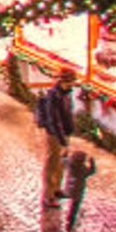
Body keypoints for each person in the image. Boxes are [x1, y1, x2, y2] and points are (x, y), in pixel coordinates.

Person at [35, 67, 80, 208]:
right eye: (72, 81)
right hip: (55, 134)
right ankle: (49, 195)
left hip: (63, 133)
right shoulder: (54, 96)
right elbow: (55, 120)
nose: (73, 84)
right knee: (52, 163)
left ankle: (56, 189)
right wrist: (62, 140)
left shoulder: (66, 93)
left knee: (60, 163)